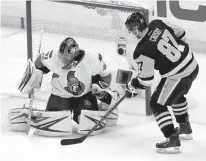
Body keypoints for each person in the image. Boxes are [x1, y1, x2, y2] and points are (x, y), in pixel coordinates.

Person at [9, 37, 119, 137]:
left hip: (85, 96)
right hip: (60, 95)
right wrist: (36, 74)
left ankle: (100, 110)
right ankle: (38, 113)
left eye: (66, 59)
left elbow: (106, 76)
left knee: (87, 123)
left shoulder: (92, 59)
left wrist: (103, 93)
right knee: (56, 118)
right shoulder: (53, 56)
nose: (62, 61)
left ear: (75, 55)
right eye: (61, 57)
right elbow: (39, 61)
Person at [124, 12, 199, 153]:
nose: (131, 32)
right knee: (175, 93)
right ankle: (185, 127)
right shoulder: (157, 23)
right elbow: (181, 33)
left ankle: (172, 138)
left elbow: (146, 80)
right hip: (193, 64)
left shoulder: (141, 50)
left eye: (130, 29)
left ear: (135, 29)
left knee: (156, 104)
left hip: (178, 75)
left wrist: (132, 86)